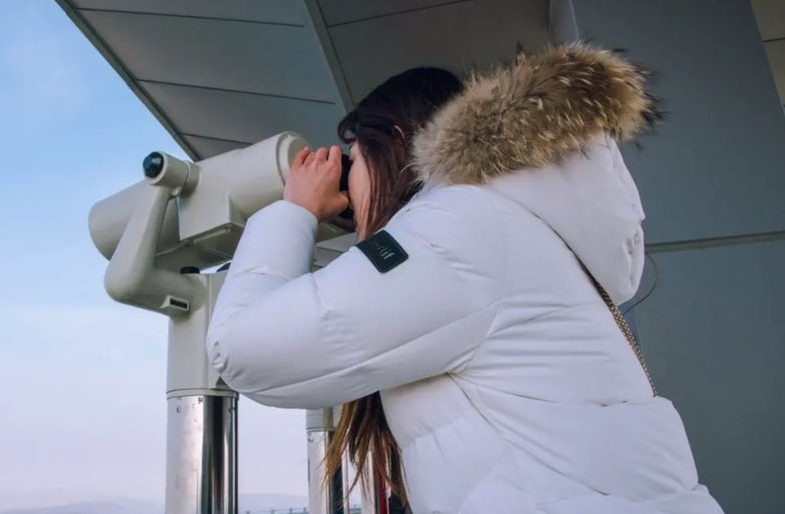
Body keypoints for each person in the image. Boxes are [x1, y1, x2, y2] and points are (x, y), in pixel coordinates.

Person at [205, 44, 724, 514]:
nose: (350, 185)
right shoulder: (508, 228)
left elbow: (244, 347)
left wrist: (292, 212)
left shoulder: (459, 230)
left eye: (354, 162)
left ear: (397, 142)